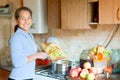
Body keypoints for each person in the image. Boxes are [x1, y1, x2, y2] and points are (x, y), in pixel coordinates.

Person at [8, 7, 48, 80]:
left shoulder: (29, 35)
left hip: (28, 77)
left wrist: (41, 54)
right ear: (16, 20)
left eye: (29, 18)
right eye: (23, 18)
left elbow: (28, 53)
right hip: (19, 78)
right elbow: (17, 63)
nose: (26, 21)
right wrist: (37, 55)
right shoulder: (17, 37)